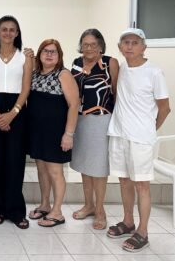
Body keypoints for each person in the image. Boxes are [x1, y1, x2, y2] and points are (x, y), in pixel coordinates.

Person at [106, 28, 170, 252]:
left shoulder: (154, 73)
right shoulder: (122, 68)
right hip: (119, 133)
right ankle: (128, 222)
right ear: (120, 47)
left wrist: (150, 130)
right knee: (124, 180)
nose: (130, 46)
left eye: (135, 42)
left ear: (144, 47)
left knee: (142, 184)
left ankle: (143, 232)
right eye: (126, 42)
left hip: (140, 138)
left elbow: (165, 108)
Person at [0, 16, 33, 229]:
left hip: (17, 109)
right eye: (4, 29)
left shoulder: (25, 57)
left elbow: (26, 87)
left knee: (15, 161)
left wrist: (13, 113)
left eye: (12, 29)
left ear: (17, 33)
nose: (8, 33)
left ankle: (16, 211)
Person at [27, 39, 79, 228]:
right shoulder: (34, 74)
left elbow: (74, 105)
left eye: (53, 51)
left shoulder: (63, 74)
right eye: (45, 51)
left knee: (55, 172)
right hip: (37, 131)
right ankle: (45, 205)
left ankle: (57, 212)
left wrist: (69, 134)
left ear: (59, 56)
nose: (49, 54)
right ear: (40, 54)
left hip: (56, 132)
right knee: (42, 169)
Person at [70, 29, 119, 230]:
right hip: (80, 120)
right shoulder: (76, 63)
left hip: (101, 120)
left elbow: (116, 92)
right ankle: (88, 205)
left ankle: (100, 210)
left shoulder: (110, 63)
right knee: (85, 165)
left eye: (93, 44)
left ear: (100, 46)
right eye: (85, 44)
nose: (89, 48)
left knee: (98, 167)